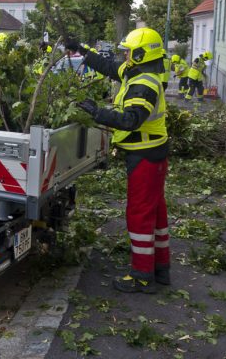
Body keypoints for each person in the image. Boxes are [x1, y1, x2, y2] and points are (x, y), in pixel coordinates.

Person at [66, 27, 170, 294]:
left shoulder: (143, 84)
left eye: (128, 51)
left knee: (139, 214)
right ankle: (161, 268)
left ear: (140, 53)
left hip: (145, 155)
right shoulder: (137, 72)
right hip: (152, 154)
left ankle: (142, 276)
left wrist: (97, 112)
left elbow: (130, 120)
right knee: (155, 211)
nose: (124, 55)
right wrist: (82, 50)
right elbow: (109, 67)